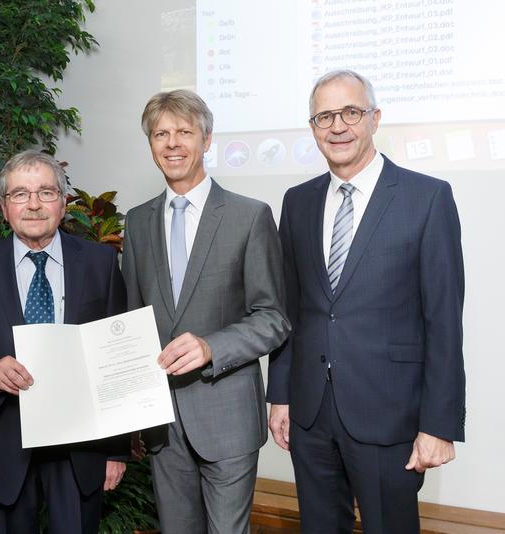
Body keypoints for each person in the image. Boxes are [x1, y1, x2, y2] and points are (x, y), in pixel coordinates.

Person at [267, 69, 466, 534]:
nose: (338, 126)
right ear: (312, 128)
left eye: (351, 112)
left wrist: (438, 424)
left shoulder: (427, 198)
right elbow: (288, 310)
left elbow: (444, 321)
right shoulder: (297, 202)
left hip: (389, 414)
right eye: (324, 116)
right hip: (310, 413)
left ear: (375, 118)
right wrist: (280, 395)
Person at [121, 89, 290, 533]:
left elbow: (273, 317)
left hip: (227, 416)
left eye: (184, 132)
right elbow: (133, 319)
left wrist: (211, 347)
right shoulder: (137, 222)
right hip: (161, 422)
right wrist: (132, 415)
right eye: (161, 134)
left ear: (207, 139)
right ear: (151, 145)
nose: (172, 143)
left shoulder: (248, 216)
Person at [0, 150, 129, 534]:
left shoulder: (100, 263)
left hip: (81, 449)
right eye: (20, 194)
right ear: (3, 206)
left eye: (45, 192)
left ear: (62, 203)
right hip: (5, 446)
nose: (34, 204)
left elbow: (119, 357)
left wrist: (115, 449)